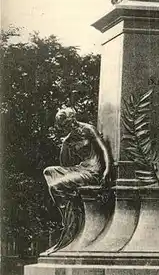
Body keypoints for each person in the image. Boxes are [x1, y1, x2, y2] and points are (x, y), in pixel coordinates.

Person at [43, 106, 111, 253]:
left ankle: (70, 223)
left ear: (73, 118)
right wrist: (65, 146)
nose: (70, 125)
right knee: (49, 172)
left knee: (56, 186)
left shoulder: (88, 129)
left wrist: (107, 169)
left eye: (70, 121)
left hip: (93, 170)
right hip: (80, 168)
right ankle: (70, 214)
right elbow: (65, 164)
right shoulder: (68, 140)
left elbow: (104, 149)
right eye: (66, 125)